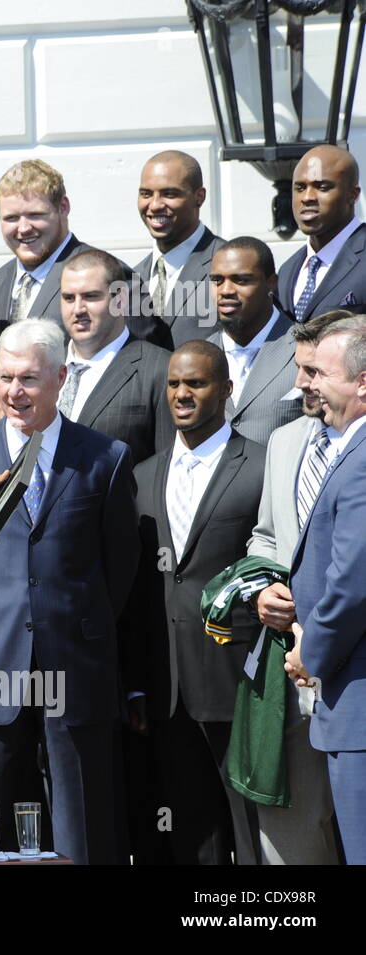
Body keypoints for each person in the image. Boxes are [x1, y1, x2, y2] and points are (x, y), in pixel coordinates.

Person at [0, 318, 138, 865]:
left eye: (28, 379)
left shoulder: (106, 457)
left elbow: (119, 567)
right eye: (5, 378)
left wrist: (78, 623)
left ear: (60, 378)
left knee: (84, 819)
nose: (13, 392)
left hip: (75, 661)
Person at [123, 341, 265, 865]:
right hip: (166, 689)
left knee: (251, 832)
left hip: (241, 682)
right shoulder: (139, 477)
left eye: (197, 383)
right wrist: (135, 681)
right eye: (175, 384)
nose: (182, 394)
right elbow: (137, 594)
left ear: (226, 390)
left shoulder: (262, 466)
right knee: (189, 833)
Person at [245, 309, 351, 865]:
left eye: (313, 371)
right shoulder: (284, 441)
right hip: (286, 671)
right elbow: (265, 537)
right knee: (290, 834)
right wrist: (264, 590)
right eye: (298, 368)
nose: (300, 383)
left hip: (349, 670)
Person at [286, 315, 366, 864]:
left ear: (362, 382)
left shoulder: (360, 463)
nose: (307, 385)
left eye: (322, 374)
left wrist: (308, 653)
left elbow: (352, 581)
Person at [57, 248, 173, 463]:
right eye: (68, 298)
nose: (78, 309)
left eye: (91, 297)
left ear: (120, 299)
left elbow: (166, 468)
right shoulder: (46, 365)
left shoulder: (160, 370)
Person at [206, 237, 300, 444]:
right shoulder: (200, 356)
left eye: (241, 280)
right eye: (217, 280)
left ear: (271, 284)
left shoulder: (307, 350)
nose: (226, 290)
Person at [131, 151, 226, 349]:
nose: (155, 205)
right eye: (146, 194)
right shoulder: (133, 277)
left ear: (199, 196)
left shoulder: (228, 265)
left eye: (169, 194)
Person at [0, 160, 93, 331]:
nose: (24, 228)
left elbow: (137, 354)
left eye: (35, 215)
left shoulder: (111, 276)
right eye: (11, 218)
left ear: (63, 207)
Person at [277, 145, 366, 321]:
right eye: (300, 188)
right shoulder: (287, 270)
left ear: (353, 195)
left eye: (322, 187)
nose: (307, 197)